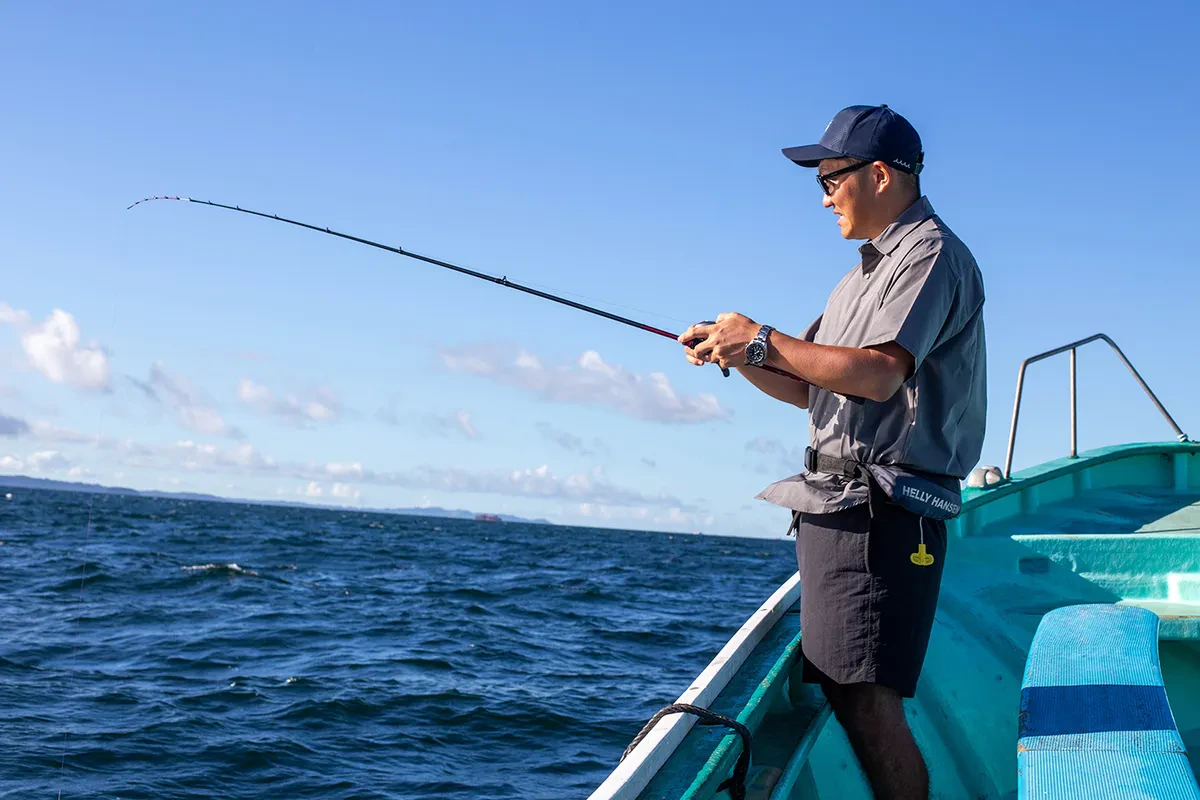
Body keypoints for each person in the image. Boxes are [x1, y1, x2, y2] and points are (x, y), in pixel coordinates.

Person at [678, 104, 986, 799]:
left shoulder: (929, 254)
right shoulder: (860, 276)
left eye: (830, 179)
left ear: (878, 174)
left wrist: (760, 338)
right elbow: (811, 387)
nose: (822, 198)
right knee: (854, 697)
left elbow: (877, 375)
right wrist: (736, 353)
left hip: (878, 511)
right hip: (837, 508)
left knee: (867, 703)